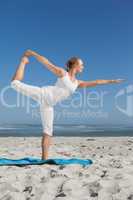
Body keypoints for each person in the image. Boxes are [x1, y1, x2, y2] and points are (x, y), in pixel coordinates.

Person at [11, 49, 125, 159]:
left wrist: (112, 81)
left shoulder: (77, 83)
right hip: (43, 94)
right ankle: (23, 62)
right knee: (14, 84)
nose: (83, 67)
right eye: (82, 64)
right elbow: (46, 63)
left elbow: (96, 82)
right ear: (75, 65)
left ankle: (44, 159)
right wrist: (32, 53)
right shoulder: (62, 73)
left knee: (48, 131)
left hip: (49, 105)